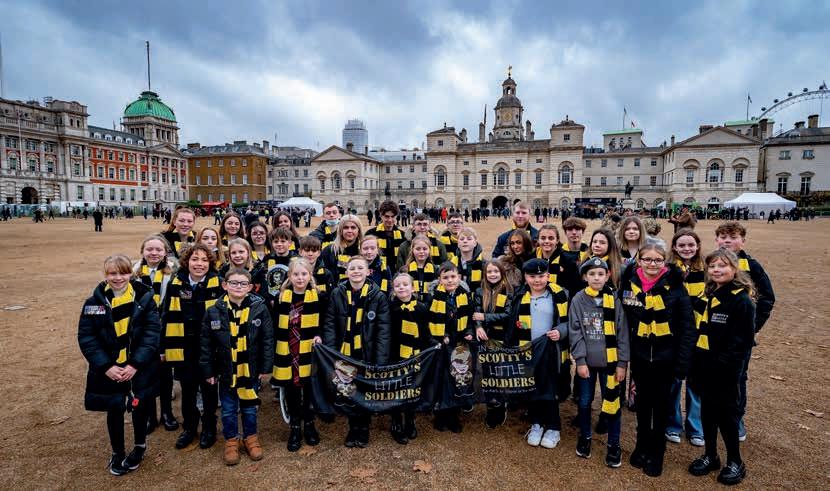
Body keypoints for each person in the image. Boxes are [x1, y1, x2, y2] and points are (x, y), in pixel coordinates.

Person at [78, 254, 161, 476]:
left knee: (139, 405)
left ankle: (140, 446)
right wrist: (106, 366)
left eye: (123, 273)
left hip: (138, 366)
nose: (118, 278)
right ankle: (117, 451)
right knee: (114, 407)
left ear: (131, 273)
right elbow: (87, 338)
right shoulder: (93, 303)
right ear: (105, 274)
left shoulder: (145, 298)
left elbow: (152, 333)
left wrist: (135, 364)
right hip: (110, 368)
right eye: (112, 273)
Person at [618, 244, 696, 477]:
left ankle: (657, 450)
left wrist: (682, 364)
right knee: (642, 404)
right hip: (640, 356)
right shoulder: (629, 284)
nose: (652, 264)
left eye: (657, 260)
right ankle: (642, 444)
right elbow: (623, 319)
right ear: (639, 261)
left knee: (661, 407)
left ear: (664, 261)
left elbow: (687, 328)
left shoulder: (676, 287)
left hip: (666, 358)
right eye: (647, 259)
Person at [688, 249, 756, 486]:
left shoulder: (741, 300)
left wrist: (722, 367)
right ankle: (710, 455)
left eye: (722, 265)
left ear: (734, 269)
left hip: (725, 371)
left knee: (727, 416)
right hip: (702, 365)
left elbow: (741, 343)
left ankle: (735, 461)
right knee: (707, 413)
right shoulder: (707, 294)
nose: (717, 270)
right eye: (713, 266)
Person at [201, 268, 273, 465]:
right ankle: (231, 440)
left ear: (250, 287)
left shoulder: (260, 308)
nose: (238, 287)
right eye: (233, 283)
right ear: (225, 285)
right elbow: (206, 344)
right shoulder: (213, 311)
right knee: (228, 409)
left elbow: (267, 339)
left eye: (243, 283)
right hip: (226, 370)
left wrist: (266, 367)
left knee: (249, 408)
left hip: (250, 369)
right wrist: (208, 370)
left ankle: (251, 438)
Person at [713, 222, 774, 442]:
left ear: (743, 241)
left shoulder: (752, 266)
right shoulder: (712, 263)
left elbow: (767, 298)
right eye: (722, 237)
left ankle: (736, 419)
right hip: (714, 333)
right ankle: (711, 417)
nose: (727, 241)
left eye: (733, 237)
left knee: (737, 378)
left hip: (739, 337)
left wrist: (752, 328)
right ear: (716, 240)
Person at [322, 256, 391, 448]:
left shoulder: (378, 296)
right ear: (346, 272)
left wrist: (380, 359)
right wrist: (332, 352)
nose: (356, 271)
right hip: (345, 351)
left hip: (367, 352)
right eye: (352, 268)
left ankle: (364, 426)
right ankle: (353, 426)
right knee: (348, 388)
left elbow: (383, 330)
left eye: (360, 268)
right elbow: (330, 323)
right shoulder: (337, 293)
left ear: (368, 272)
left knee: (364, 390)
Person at [160, 243, 224, 450]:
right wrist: (163, 348)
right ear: (186, 262)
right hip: (183, 346)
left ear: (210, 263)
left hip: (209, 348)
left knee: (209, 389)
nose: (199, 264)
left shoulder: (218, 284)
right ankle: (189, 427)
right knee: (187, 390)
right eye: (195, 259)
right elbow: (165, 316)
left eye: (204, 260)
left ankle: (209, 426)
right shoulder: (175, 284)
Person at [569, 257, 629, 468]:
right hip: (587, 363)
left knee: (611, 403)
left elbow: (622, 332)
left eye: (600, 274)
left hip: (610, 364)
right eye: (592, 274)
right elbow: (575, 332)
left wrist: (622, 363)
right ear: (585, 277)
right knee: (585, 402)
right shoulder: (578, 300)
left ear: (608, 276)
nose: (596, 278)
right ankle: (585, 436)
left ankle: (614, 444)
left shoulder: (614, 299)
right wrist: (580, 361)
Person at [504, 258, 569, 449]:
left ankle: (553, 427)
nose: (537, 280)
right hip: (527, 350)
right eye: (532, 276)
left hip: (550, 351)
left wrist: (560, 331)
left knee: (550, 390)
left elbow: (570, 322)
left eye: (541, 276)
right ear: (525, 277)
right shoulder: (519, 296)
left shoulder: (560, 294)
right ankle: (537, 423)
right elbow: (512, 324)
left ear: (548, 275)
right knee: (531, 388)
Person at [272, 258, 322, 452]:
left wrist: (319, 335)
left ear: (310, 275)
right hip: (288, 347)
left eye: (304, 274)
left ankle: (309, 423)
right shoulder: (281, 298)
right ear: (289, 276)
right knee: (291, 388)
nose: (300, 278)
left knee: (308, 387)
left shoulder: (319, 296)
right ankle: (294, 426)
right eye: (296, 274)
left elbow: (324, 321)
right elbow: (275, 324)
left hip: (309, 349)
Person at [666, 228, 706, 447]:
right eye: (681, 245)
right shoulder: (669, 269)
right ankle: (673, 424)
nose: (687, 249)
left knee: (696, 383)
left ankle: (695, 427)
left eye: (691, 245)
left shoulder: (706, 269)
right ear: (674, 247)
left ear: (697, 246)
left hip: (699, 332)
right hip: (676, 333)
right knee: (674, 381)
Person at [133, 235, 175, 433]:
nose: (154, 253)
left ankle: (167, 412)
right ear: (142, 251)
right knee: (146, 373)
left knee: (165, 372)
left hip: (166, 327)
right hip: (142, 331)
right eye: (149, 249)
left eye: (159, 249)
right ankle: (151, 415)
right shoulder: (133, 273)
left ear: (165, 252)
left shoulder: (172, 273)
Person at [427, 261, 474, 433]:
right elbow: (430, 320)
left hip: (459, 343)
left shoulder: (464, 295)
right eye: (445, 277)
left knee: (457, 378)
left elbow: (469, 317)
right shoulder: (434, 296)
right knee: (442, 378)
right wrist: (442, 335)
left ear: (459, 277)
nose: (450, 280)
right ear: (440, 279)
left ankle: (454, 415)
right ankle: (441, 414)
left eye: (453, 276)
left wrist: (469, 332)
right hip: (441, 343)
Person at [388, 273, 433, 443]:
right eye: (397, 285)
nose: (401, 288)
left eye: (405, 284)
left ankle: (410, 419)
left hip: (415, 354)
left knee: (412, 387)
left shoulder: (421, 308)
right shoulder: (390, 308)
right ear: (394, 290)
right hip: (396, 355)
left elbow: (425, 332)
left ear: (413, 288)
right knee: (396, 387)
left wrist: (433, 344)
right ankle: (396, 421)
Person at [473, 259, 514, 428]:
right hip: (484, 338)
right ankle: (491, 405)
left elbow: (508, 315)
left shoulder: (508, 290)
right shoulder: (479, 291)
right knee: (487, 373)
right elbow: (476, 312)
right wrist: (478, 326)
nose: (492, 274)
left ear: (502, 273)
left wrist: (485, 317)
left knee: (499, 373)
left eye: (496, 271)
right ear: (485, 274)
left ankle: (501, 404)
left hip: (501, 338)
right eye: (489, 271)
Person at [252, 227, 297, 305]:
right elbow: (260, 279)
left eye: (283, 241)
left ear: (290, 243)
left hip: (290, 299)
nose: (279, 244)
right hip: (269, 300)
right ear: (272, 243)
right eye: (276, 241)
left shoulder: (296, 260)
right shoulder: (267, 259)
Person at [320, 214, 363, 282]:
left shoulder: (364, 251)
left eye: (353, 227)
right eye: (346, 227)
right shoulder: (329, 251)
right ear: (340, 230)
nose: (349, 230)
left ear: (359, 230)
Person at [365, 200, 406, 271]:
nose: (390, 220)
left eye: (392, 216)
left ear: (396, 216)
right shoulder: (371, 234)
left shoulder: (403, 235)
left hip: (397, 273)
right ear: (381, 216)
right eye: (387, 216)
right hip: (377, 272)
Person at [298, 236, 335, 301]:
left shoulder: (326, 274)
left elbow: (331, 298)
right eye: (307, 250)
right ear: (300, 252)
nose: (310, 254)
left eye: (314, 251)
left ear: (319, 253)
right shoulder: (293, 273)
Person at [404, 234, 437, 302]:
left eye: (425, 249)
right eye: (418, 249)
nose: (421, 252)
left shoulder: (436, 269)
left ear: (429, 250)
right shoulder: (405, 269)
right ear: (412, 250)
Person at [454, 226, 485, 293]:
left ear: (475, 243)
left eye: (469, 239)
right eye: (461, 239)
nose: (465, 241)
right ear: (458, 243)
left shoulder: (484, 265)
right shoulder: (452, 264)